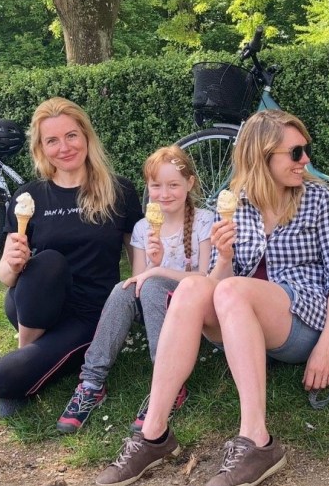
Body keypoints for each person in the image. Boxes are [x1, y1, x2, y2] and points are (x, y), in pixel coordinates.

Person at [95, 109, 329, 486]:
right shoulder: (237, 204)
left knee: (232, 290)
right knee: (192, 288)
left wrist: (327, 346)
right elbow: (216, 284)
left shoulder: (318, 199)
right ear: (261, 157)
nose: (305, 159)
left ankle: (257, 440)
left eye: (304, 150)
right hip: (241, 321)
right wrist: (223, 258)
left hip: (301, 320)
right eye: (295, 152)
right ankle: (153, 433)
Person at [0, 97, 142, 417]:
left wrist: (137, 298)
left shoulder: (119, 191)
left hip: (90, 315)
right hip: (34, 304)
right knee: (49, 262)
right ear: (41, 148)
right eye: (52, 140)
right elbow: (6, 276)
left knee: (4, 377)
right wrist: (12, 264)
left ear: (86, 136)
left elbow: (137, 256)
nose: (64, 147)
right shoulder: (28, 196)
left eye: (71, 135)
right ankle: (24, 357)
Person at [56, 145, 214, 433]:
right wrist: (155, 261)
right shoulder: (143, 228)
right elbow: (138, 281)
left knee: (152, 285)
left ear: (190, 183)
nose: (164, 193)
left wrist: (158, 270)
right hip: (154, 301)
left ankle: (168, 385)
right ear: (148, 187)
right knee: (123, 289)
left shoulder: (205, 221)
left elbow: (204, 277)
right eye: (156, 186)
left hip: (192, 306)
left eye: (173, 185)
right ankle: (91, 382)